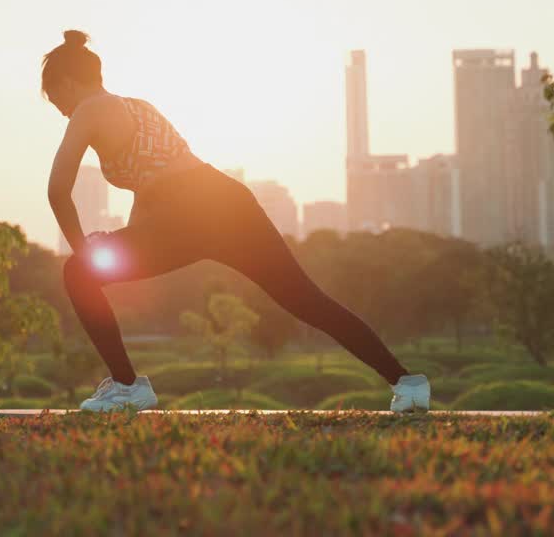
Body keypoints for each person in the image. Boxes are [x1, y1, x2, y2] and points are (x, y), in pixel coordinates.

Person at [43, 29, 430, 413]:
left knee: (78, 272)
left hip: (183, 213)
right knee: (307, 300)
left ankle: (127, 387)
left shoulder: (88, 110)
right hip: (225, 201)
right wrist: (123, 240)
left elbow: (58, 191)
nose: (57, 107)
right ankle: (407, 383)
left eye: (54, 95)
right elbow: (151, 189)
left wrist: (85, 252)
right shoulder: (139, 106)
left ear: (67, 83)